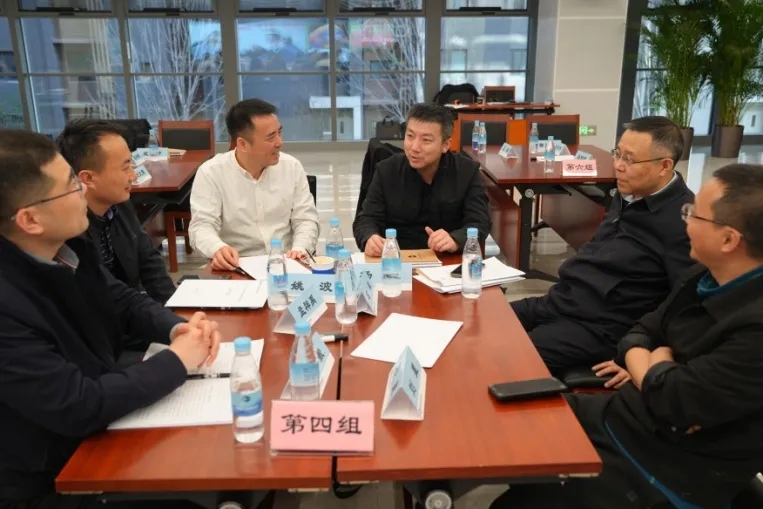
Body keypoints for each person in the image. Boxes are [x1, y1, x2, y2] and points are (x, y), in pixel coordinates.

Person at [490, 163, 763, 509]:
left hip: (665, 468)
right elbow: (639, 333)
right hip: (622, 416)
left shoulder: (754, 329)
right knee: (504, 429)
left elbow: (672, 399)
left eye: (694, 214)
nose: (685, 220)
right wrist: (658, 364)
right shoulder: (702, 276)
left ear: (729, 240)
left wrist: (656, 359)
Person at [0, 129, 222, 508]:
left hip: (95, 424)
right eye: (71, 187)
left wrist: (176, 328)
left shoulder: (67, 245)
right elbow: (78, 404)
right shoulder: (7, 307)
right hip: (51, 475)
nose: (82, 193)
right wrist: (177, 361)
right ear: (30, 219)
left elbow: (121, 299)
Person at [510, 116, 694, 378]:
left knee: (510, 357)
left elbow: (685, 304)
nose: (618, 165)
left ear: (664, 165)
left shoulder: (684, 222)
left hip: (601, 327)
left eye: (629, 160)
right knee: (486, 323)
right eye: (617, 154)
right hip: (564, 300)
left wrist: (639, 352)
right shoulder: (628, 193)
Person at [189, 99, 319, 271]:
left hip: (287, 262)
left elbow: (305, 219)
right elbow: (201, 226)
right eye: (271, 137)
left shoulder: (291, 167)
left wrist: (300, 249)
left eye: (279, 132)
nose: (279, 142)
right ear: (242, 144)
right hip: (237, 265)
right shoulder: (211, 173)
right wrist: (217, 249)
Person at [56, 119, 176, 305]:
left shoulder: (120, 203)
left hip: (135, 310)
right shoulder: (68, 230)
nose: (133, 176)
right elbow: (106, 293)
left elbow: (148, 261)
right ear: (88, 178)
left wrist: (175, 307)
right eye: (125, 167)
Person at [352, 102, 491, 256]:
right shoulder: (386, 170)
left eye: (426, 140)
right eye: (410, 136)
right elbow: (366, 219)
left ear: (445, 145)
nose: (414, 147)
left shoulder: (467, 172)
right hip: (397, 260)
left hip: (446, 260)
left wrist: (455, 239)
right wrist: (369, 238)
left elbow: (480, 221)